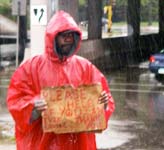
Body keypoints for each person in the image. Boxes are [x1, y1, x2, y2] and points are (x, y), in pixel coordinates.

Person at [6, 10, 115, 150]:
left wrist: (103, 104)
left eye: (71, 35)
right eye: (63, 35)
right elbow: (15, 100)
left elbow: (105, 99)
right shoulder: (31, 68)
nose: (68, 39)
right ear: (53, 37)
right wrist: (33, 107)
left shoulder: (86, 68)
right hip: (43, 144)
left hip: (79, 144)